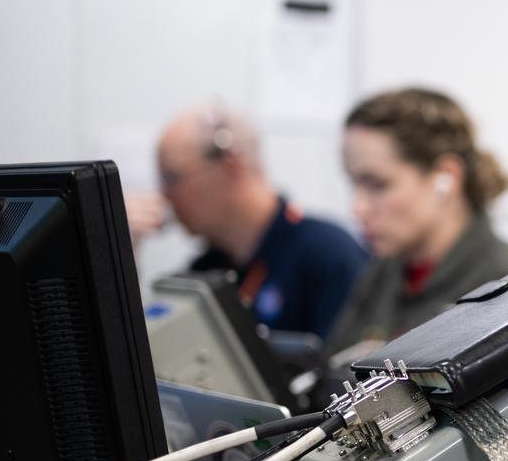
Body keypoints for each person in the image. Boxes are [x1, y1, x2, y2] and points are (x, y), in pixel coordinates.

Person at [327, 86, 508, 356]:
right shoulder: (383, 273)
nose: (358, 208)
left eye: (377, 185)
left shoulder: (507, 286)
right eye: (355, 183)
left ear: (446, 178)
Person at [146, 104, 366, 341]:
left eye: (172, 178)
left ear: (231, 164)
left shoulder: (329, 256)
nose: (165, 196)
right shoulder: (203, 273)